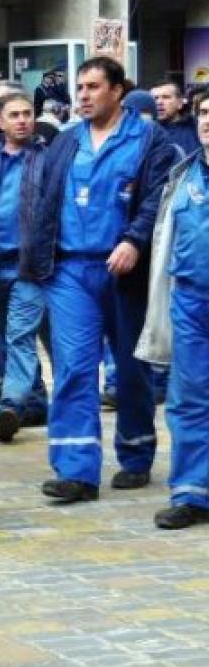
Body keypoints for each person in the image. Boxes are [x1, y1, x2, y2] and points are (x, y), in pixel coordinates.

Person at [25, 57, 177, 504]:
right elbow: (43, 200)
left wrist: (134, 240)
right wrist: (38, 260)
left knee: (131, 369)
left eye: (93, 86)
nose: (84, 95)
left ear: (117, 91)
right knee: (72, 367)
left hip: (126, 272)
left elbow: (156, 199)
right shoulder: (66, 142)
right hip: (71, 269)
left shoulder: (150, 139)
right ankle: (76, 469)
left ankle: (134, 452)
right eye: (80, 87)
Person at [137, 92, 209, 530]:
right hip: (190, 301)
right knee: (189, 398)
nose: (207, 122)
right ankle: (192, 492)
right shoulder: (183, 174)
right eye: (203, 114)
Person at [0, 90, 51, 443]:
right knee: (3, 338)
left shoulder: (48, 159)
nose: (22, 120)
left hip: (29, 266)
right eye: (14, 115)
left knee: (20, 335)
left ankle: (11, 404)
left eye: (27, 113)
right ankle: (34, 402)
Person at [151, 80, 199, 157]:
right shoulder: (146, 131)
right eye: (155, 98)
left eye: (166, 97)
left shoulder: (196, 128)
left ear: (180, 103)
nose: (159, 102)